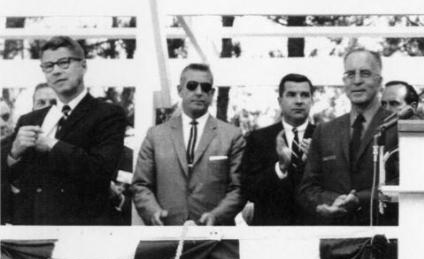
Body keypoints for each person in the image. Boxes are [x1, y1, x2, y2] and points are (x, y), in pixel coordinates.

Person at [3, 36, 126, 225]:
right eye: (49, 66)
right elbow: (13, 181)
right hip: (33, 231)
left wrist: (53, 145)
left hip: (82, 231)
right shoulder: (30, 119)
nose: (56, 71)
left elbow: (101, 172)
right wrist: (14, 154)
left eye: (64, 63)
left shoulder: (108, 114)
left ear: (83, 66)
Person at [132, 64, 245, 226]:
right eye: (192, 86)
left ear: (212, 94)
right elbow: (141, 184)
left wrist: (216, 215)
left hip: (215, 239)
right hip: (165, 236)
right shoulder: (155, 135)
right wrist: (153, 212)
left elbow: (239, 187)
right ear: (180, 90)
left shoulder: (232, 136)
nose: (199, 92)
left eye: (205, 88)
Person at [298, 49, 398, 225]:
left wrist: (360, 198)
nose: (357, 81)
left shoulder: (399, 127)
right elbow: (307, 189)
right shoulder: (325, 131)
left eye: (365, 73)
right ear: (344, 82)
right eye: (350, 74)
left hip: (385, 238)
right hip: (336, 241)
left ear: (379, 81)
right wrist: (326, 203)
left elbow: (404, 183)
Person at [241, 73, 315, 225]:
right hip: (270, 231)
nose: (299, 101)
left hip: (313, 230)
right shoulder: (258, 138)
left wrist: (314, 162)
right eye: (292, 95)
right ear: (280, 101)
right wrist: (280, 168)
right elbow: (248, 190)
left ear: (312, 100)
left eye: (305, 95)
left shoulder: (324, 137)